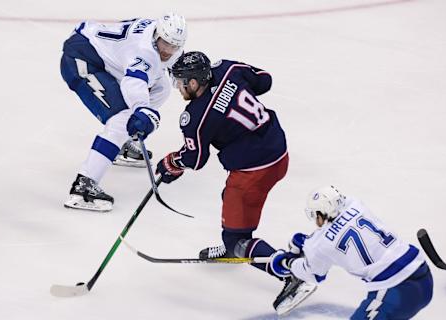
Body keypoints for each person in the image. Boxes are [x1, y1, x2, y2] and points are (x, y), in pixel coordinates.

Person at [155, 51, 313, 315]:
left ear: (194, 83)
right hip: (278, 150)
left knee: (235, 239)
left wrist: (172, 162)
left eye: (181, 82)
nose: (179, 88)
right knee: (229, 198)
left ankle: (291, 273)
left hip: (253, 172)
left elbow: (195, 159)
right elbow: (264, 81)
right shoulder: (227, 69)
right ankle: (239, 245)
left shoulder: (195, 117)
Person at [60, 12, 187, 212]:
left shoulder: (160, 34)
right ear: (157, 35)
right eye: (165, 44)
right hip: (83, 58)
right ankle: (83, 187)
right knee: (121, 119)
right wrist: (141, 110)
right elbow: (133, 82)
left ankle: (123, 144)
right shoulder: (144, 51)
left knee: (161, 87)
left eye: (174, 46)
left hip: (106, 57)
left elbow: (161, 70)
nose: (168, 51)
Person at [270, 186, 434, 318]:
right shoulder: (356, 204)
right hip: (422, 273)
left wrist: (287, 262)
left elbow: (314, 274)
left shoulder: (319, 244)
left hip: (395, 290)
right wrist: (306, 243)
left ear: (320, 214)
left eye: (315, 215)